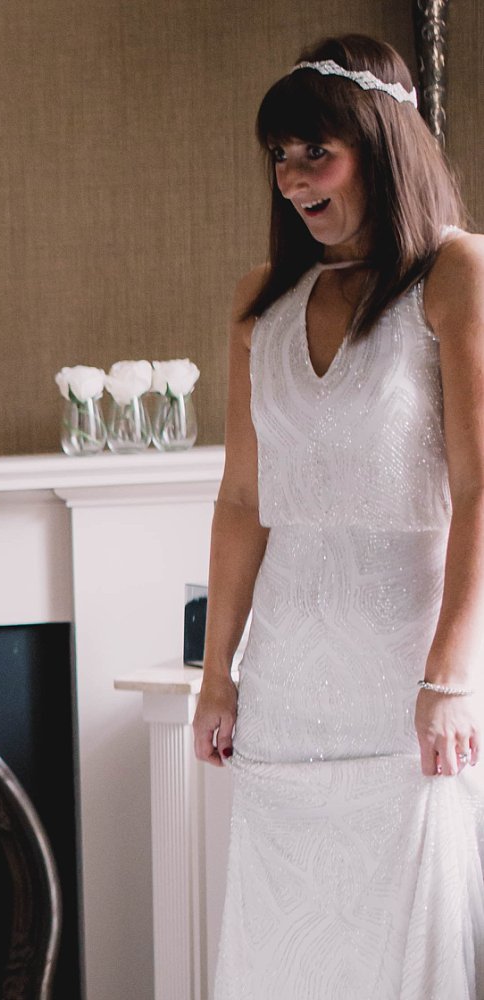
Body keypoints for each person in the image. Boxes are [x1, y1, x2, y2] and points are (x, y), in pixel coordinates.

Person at [191, 35, 484, 998]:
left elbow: (481, 487)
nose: (291, 178)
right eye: (279, 155)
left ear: (382, 145)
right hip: (286, 686)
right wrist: (218, 675)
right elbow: (243, 499)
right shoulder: (258, 302)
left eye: (315, 151)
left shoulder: (455, 274)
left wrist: (448, 674)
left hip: (405, 683)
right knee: (288, 948)